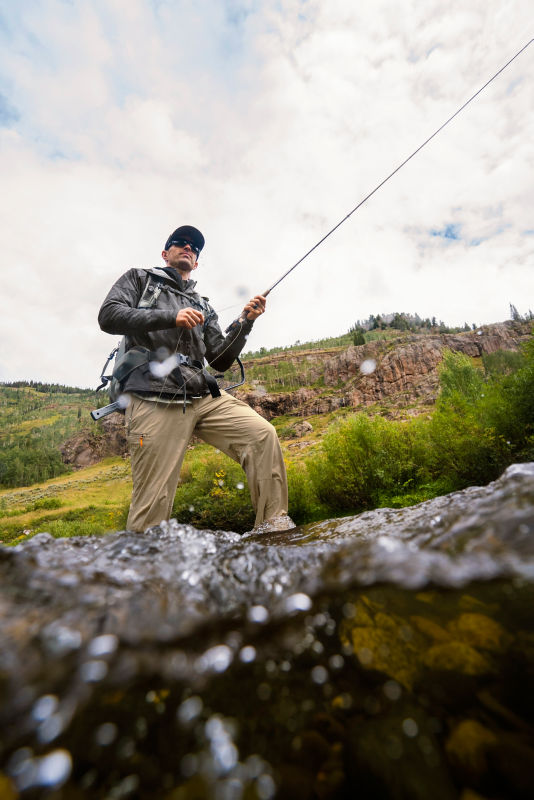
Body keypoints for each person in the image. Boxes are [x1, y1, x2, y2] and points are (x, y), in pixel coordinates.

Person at [98, 225, 295, 534]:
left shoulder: (204, 306)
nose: (187, 247)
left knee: (262, 435)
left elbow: (219, 359)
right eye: (180, 243)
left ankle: (273, 531)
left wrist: (245, 324)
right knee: (153, 498)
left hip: (202, 395)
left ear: (197, 262)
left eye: (194, 247)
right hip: (152, 394)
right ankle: (146, 573)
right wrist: (170, 317)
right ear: (166, 253)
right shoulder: (139, 278)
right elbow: (108, 316)